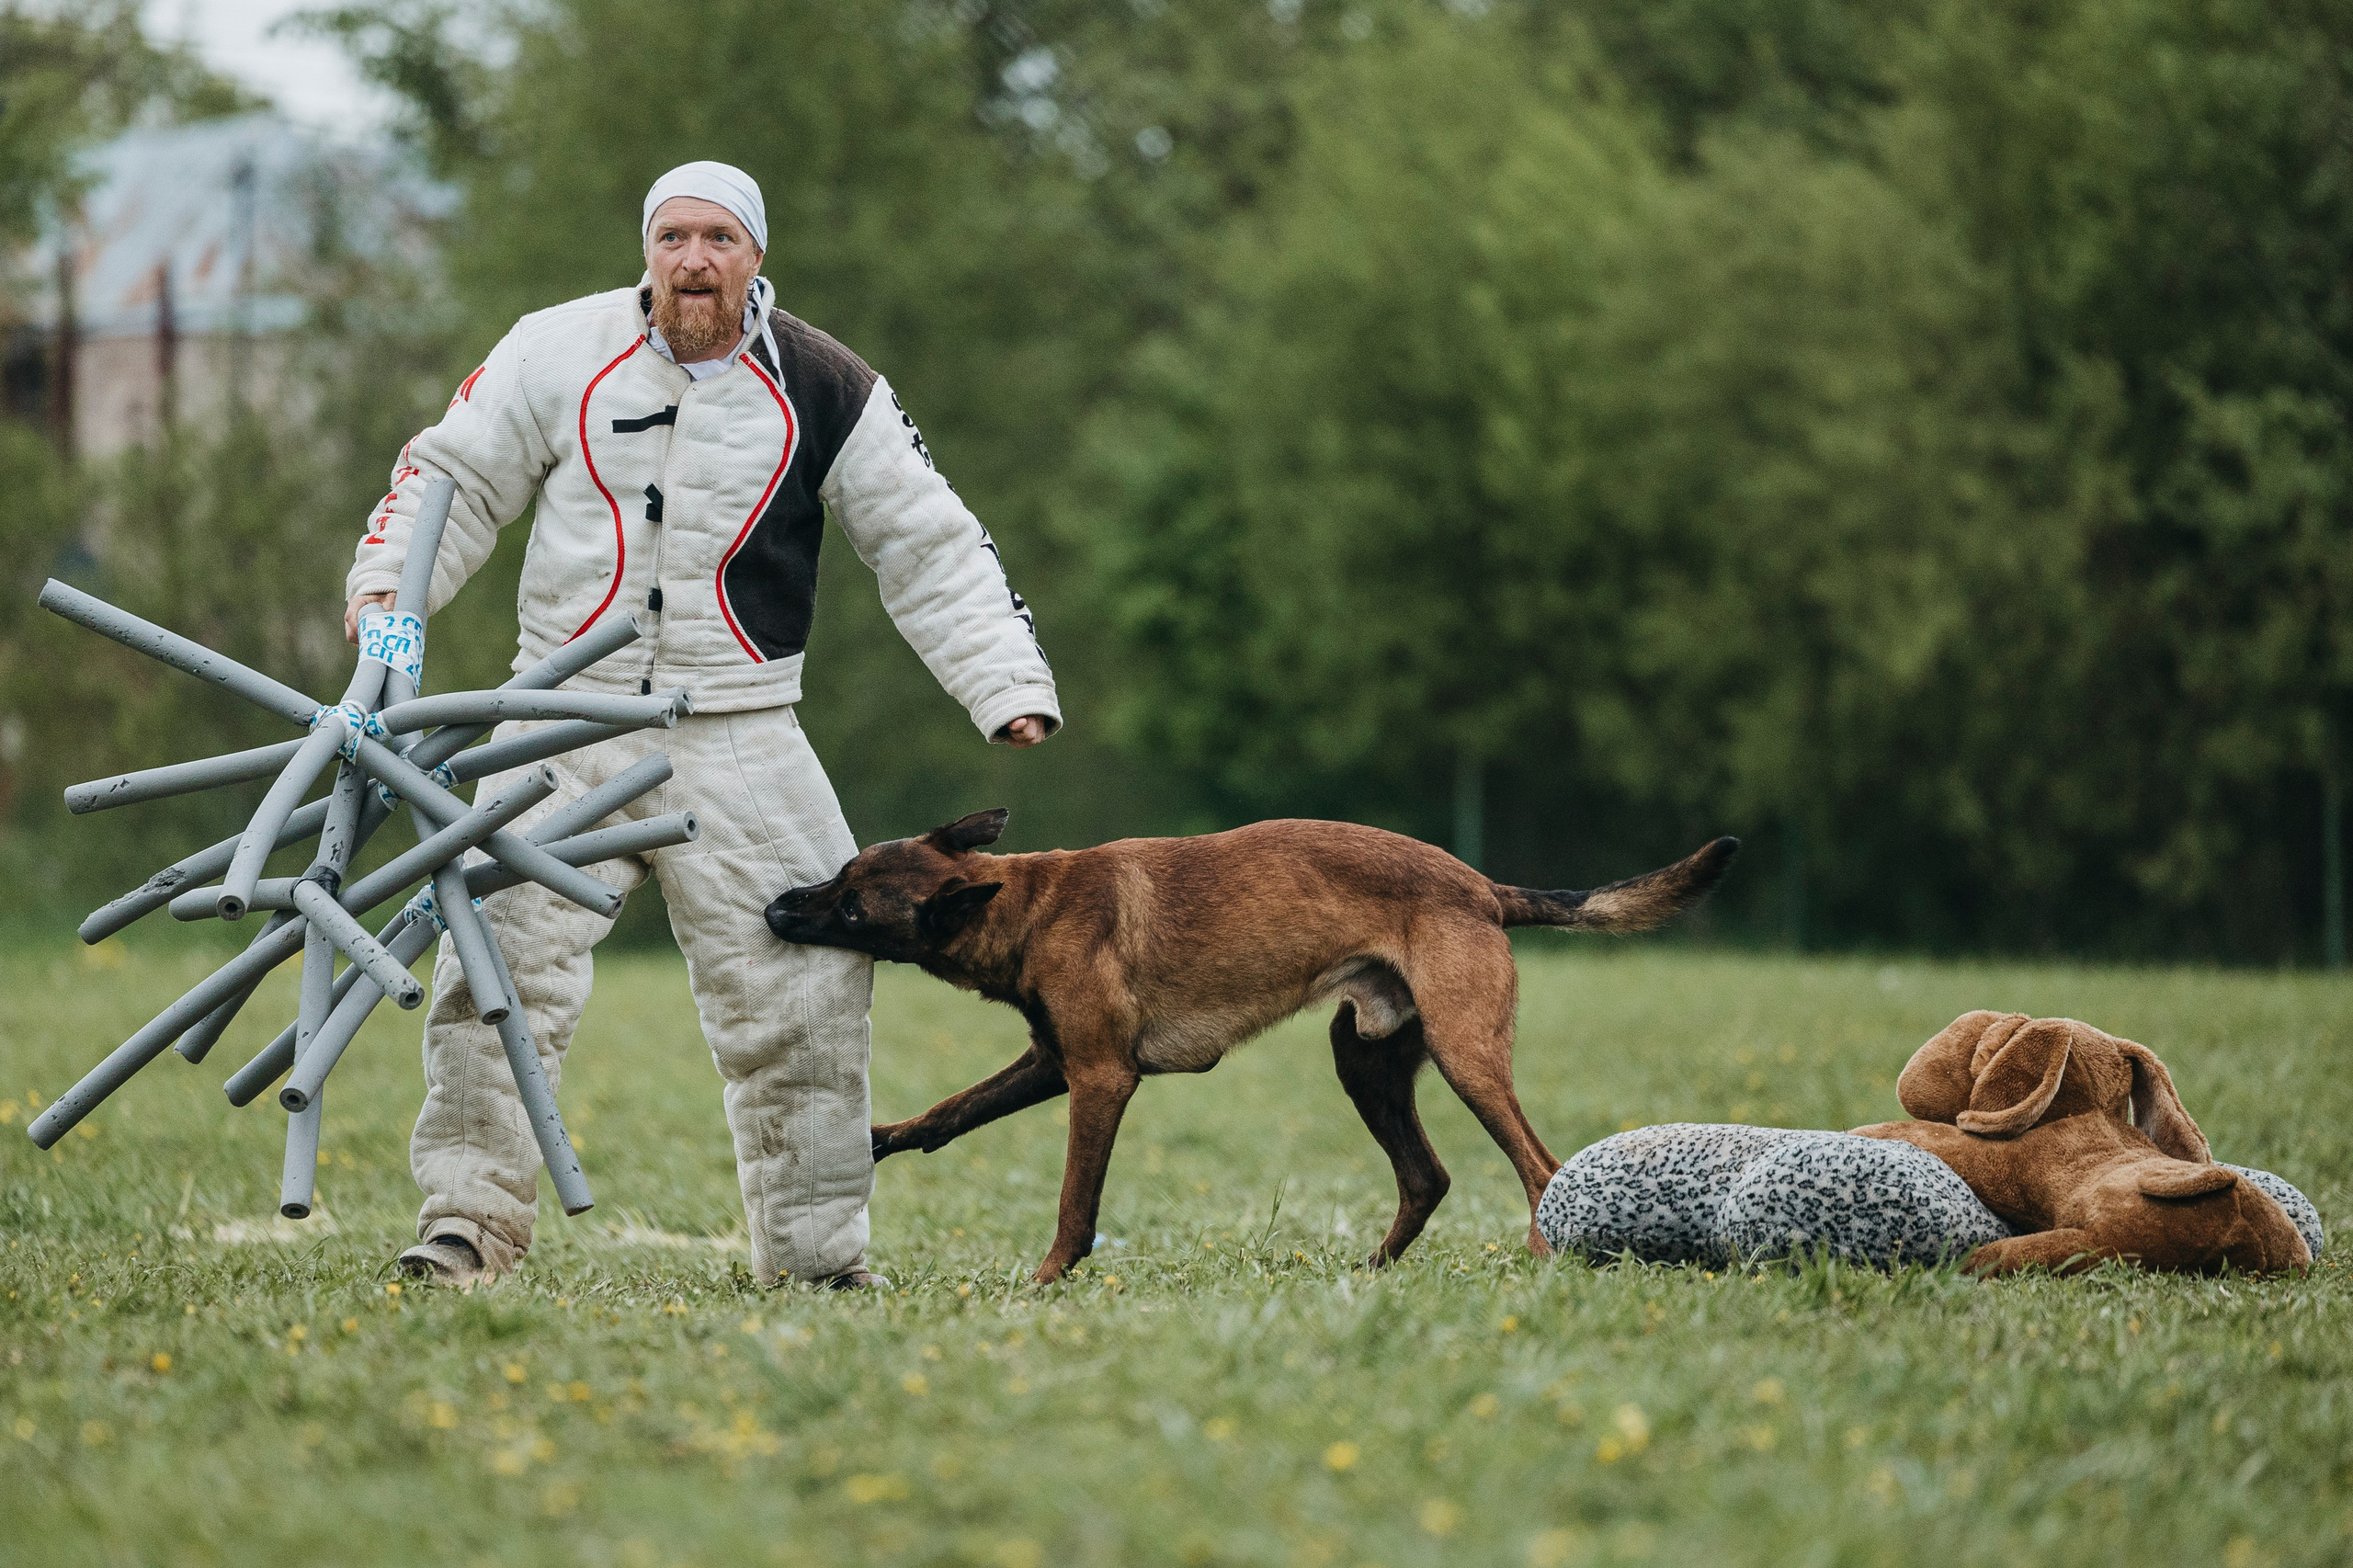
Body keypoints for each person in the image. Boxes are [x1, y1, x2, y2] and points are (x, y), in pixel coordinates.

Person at [345, 161, 1060, 1290]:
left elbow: (927, 539)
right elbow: (451, 476)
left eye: (717, 239)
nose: (692, 259)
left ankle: (818, 1261)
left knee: (811, 987)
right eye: (672, 236)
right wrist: (389, 605)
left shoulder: (829, 384)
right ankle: (464, 1229)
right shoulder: (551, 348)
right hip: (551, 721)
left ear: (754, 258)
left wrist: (1003, 682)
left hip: (742, 725)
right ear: (647, 250)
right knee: (494, 969)